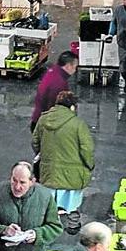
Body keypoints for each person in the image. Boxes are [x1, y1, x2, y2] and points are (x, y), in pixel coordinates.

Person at [32, 91, 94, 235]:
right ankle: (73, 225)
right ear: (72, 107)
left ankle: (48, 226)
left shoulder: (43, 120)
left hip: (49, 172)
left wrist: (44, 157)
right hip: (72, 173)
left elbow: (35, 142)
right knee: (73, 202)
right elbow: (87, 149)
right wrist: (89, 165)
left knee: (48, 201)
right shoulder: (78, 124)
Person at [30, 51, 78, 132]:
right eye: (75, 66)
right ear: (68, 66)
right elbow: (53, 107)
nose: (75, 70)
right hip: (45, 125)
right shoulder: (59, 83)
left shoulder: (54, 70)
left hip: (38, 118)